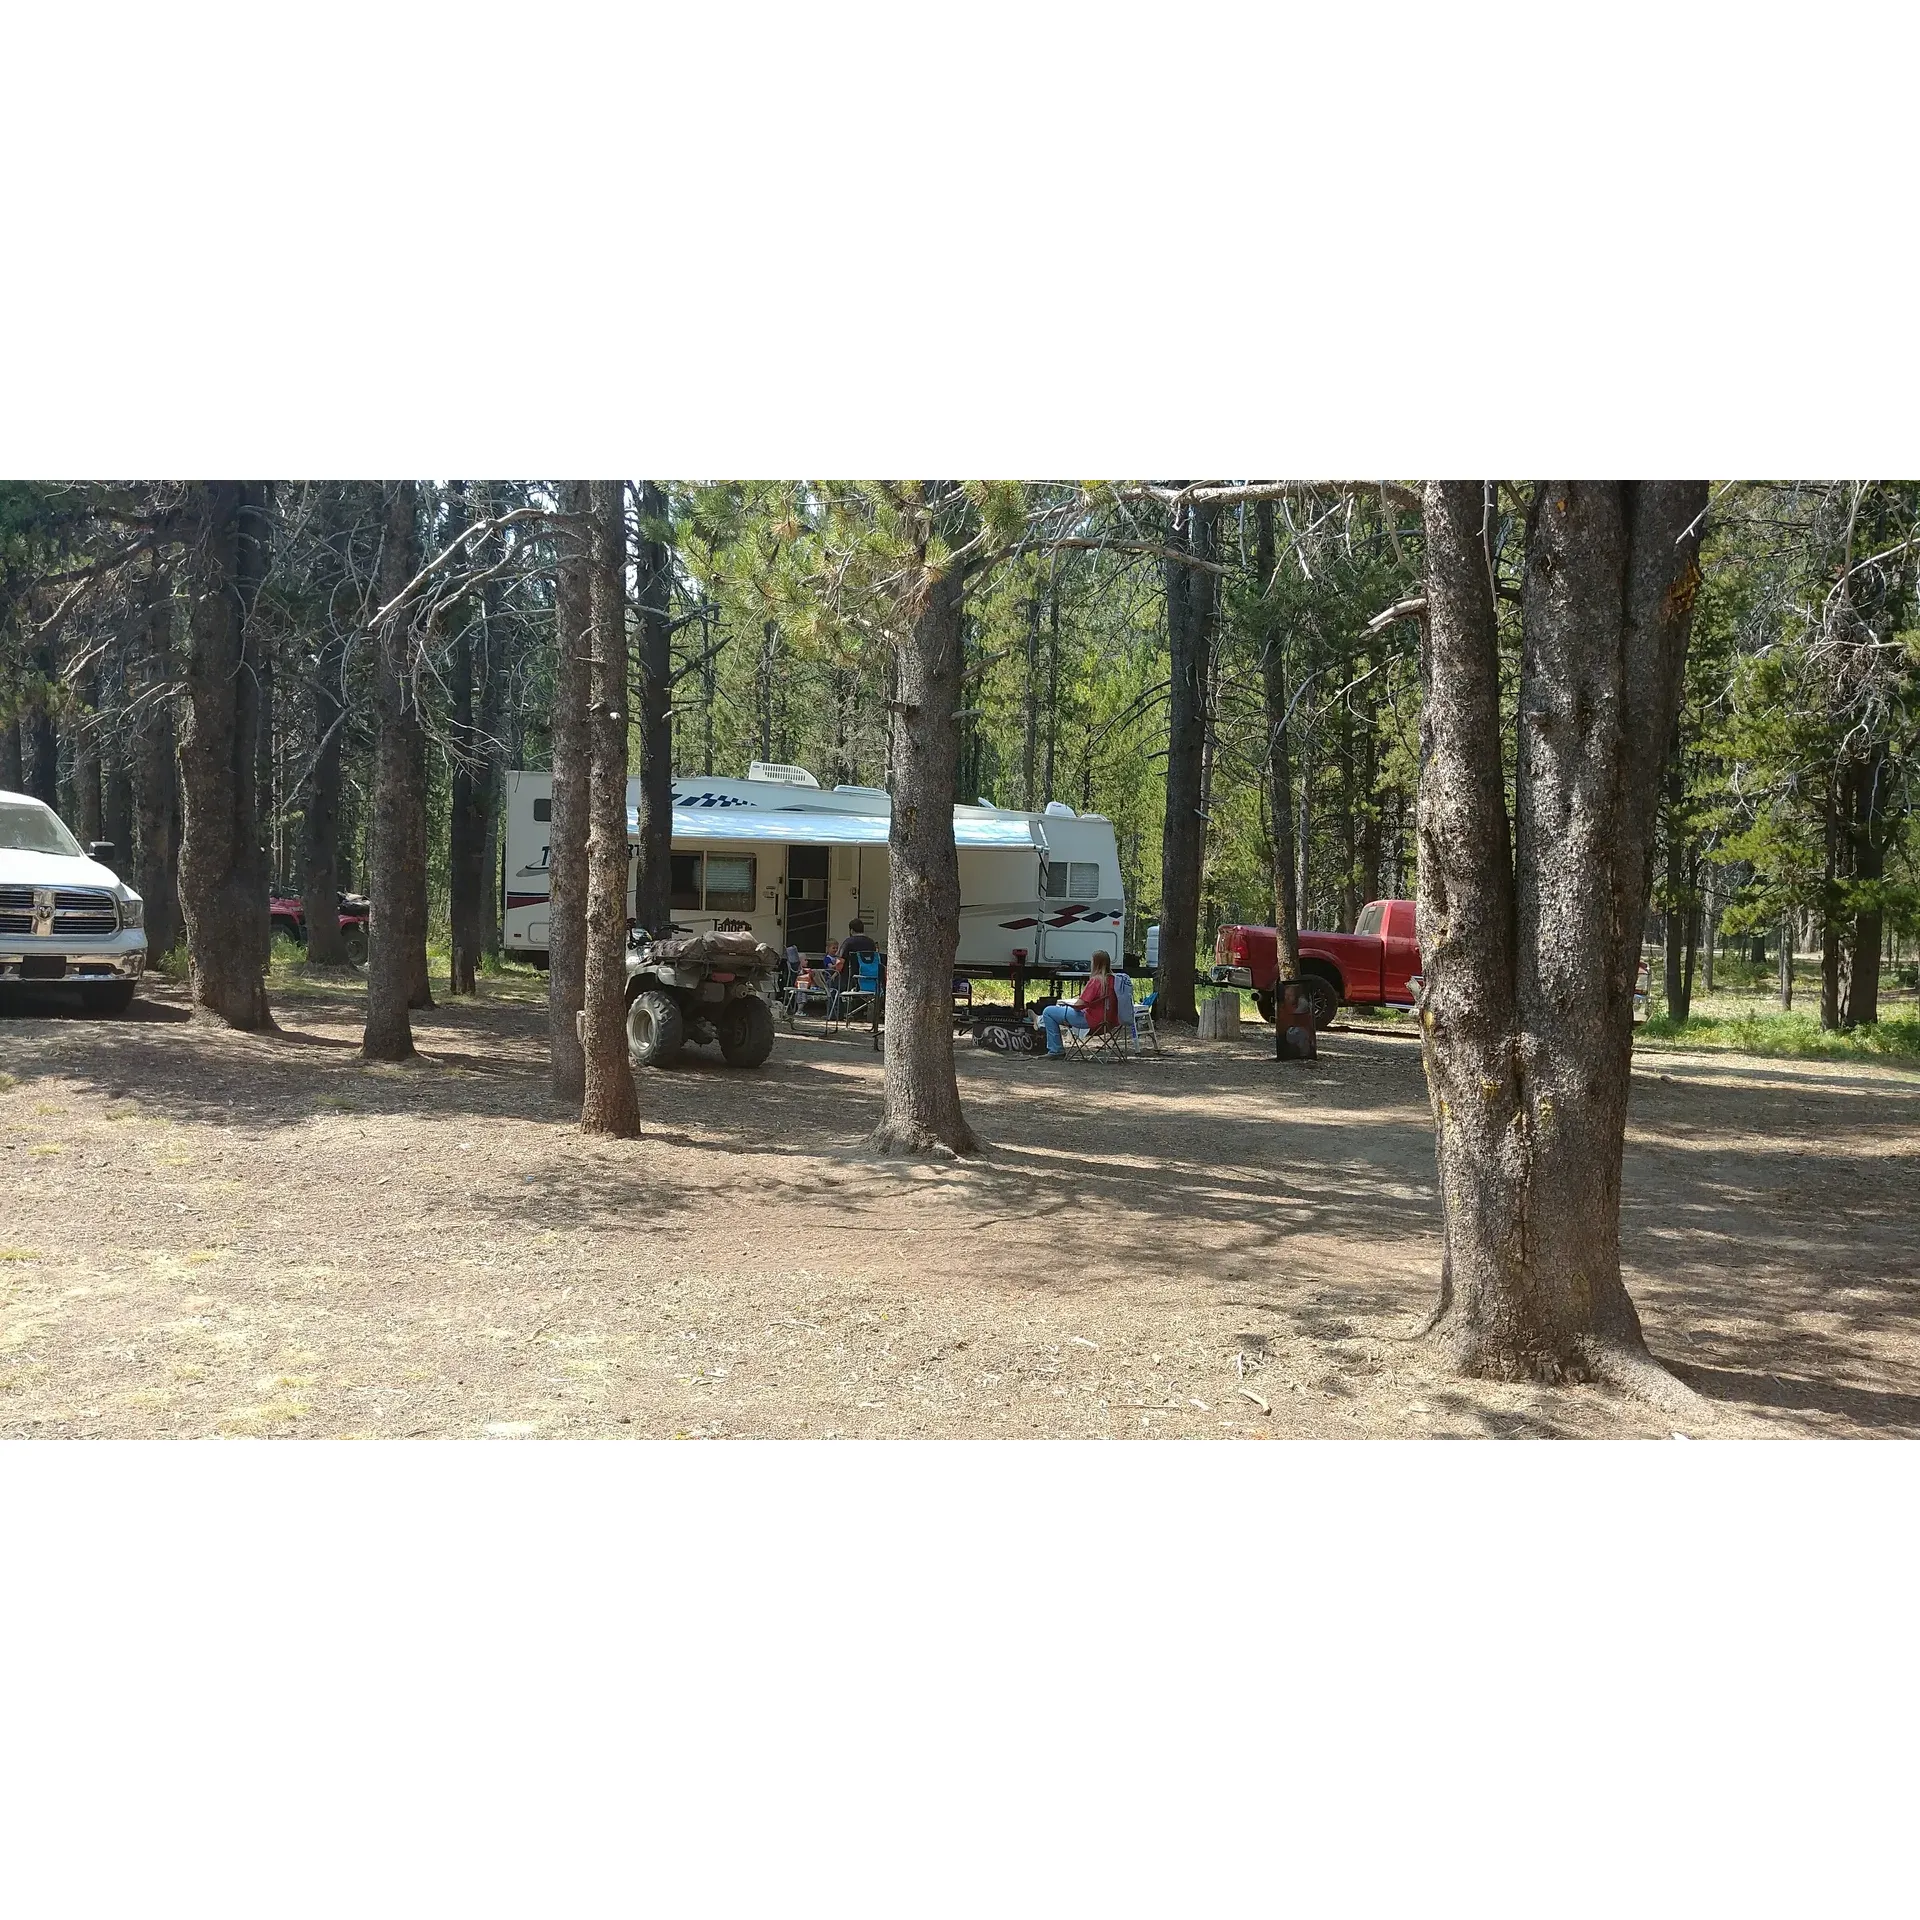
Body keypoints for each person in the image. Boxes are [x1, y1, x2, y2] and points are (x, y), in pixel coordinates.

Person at [1039, 950, 1118, 1059]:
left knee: (1048, 1011)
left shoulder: (1096, 981)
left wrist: (1066, 1003)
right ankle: (1038, 1021)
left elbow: (1079, 1005)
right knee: (1058, 1011)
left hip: (1091, 1022)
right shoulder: (1114, 980)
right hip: (1109, 1023)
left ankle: (1056, 1050)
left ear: (1095, 963)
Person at [1276, 978, 1318, 1061]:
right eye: (1286, 995)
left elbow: (1306, 1023)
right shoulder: (1282, 1007)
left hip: (1302, 1034)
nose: (1287, 997)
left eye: (1290, 996)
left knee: (1301, 1033)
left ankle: (1305, 1054)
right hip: (1285, 1034)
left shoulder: (1302, 1005)